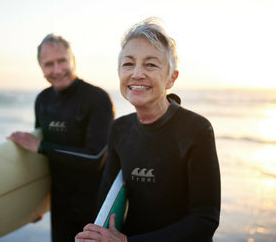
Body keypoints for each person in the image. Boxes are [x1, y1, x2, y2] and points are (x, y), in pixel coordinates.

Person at [75, 18, 221, 242]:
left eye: (150, 64)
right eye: (128, 64)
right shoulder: (119, 129)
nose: (137, 73)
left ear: (171, 78)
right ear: (119, 74)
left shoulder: (196, 130)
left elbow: (205, 219)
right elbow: (107, 203)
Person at [7, 34, 114, 241]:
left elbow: (95, 159)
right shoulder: (43, 100)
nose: (57, 70)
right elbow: (42, 162)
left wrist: (41, 146)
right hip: (60, 206)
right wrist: (36, 203)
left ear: (72, 59)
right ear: (41, 68)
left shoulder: (97, 98)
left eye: (62, 61)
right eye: (48, 64)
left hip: (96, 206)